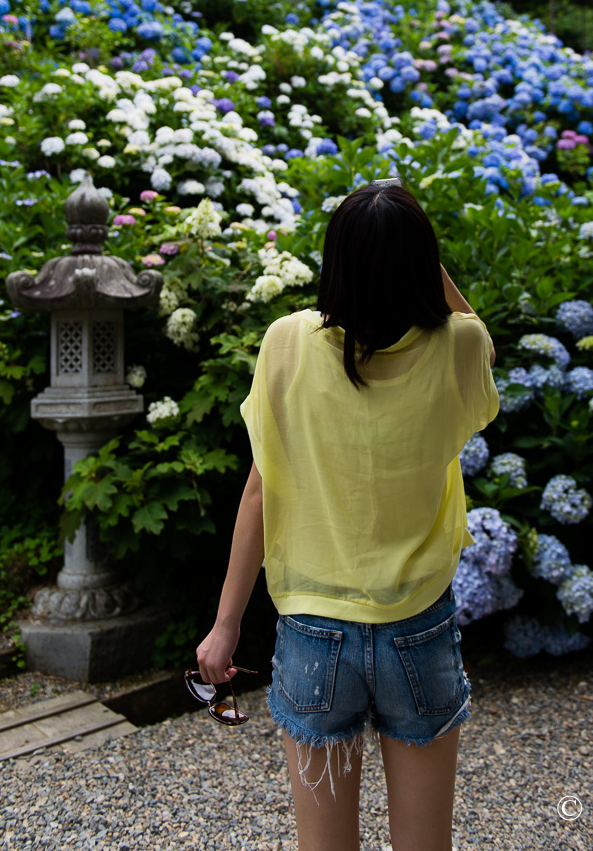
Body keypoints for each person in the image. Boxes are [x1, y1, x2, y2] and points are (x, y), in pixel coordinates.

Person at [196, 182, 498, 851]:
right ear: (421, 264)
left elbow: (258, 491)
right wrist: (423, 262)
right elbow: (480, 337)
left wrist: (224, 627)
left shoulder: (287, 343)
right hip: (415, 625)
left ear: (335, 264)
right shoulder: (458, 350)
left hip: (312, 630)